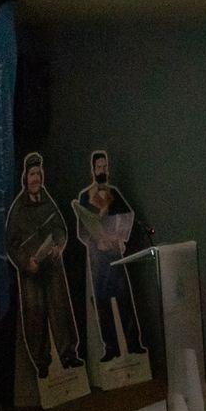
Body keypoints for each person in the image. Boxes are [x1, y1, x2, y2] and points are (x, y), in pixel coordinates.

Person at [6, 153, 83, 377]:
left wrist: (58, 246)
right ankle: (41, 362)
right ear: (25, 177)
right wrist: (25, 262)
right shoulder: (18, 210)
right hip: (31, 271)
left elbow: (60, 229)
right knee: (35, 315)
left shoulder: (49, 202)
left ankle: (68, 354)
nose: (35, 179)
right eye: (31, 174)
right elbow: (12, 245)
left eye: (38, 175)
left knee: (60, 308)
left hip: (52, 266)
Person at [72, 151, 146, 361]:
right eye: (99, 167)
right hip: (97, 257)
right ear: (93, 169)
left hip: (115, 252)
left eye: (105, 167)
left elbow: (127, 217)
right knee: (102, 303)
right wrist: (96, 240)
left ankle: (133, 343)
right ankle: (111, 347)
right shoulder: (86, 196)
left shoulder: (114, 194)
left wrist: (118, 237)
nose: (102, 171)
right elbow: (82, 230)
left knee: (124, 298)